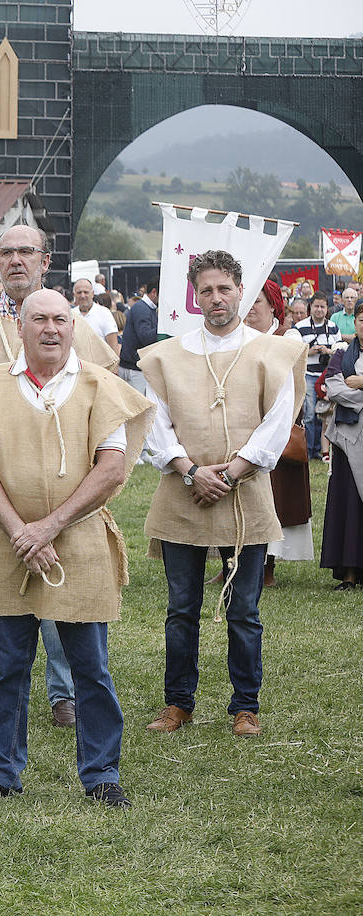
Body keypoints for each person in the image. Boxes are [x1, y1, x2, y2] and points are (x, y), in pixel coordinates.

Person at [0, 289, 153, 808]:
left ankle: (101, 775)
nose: (50, 328)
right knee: (8, 667)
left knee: (90, 666)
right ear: (20, 327)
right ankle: (0, 773)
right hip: (8, 542)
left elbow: (111, 468)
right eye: (39, 319)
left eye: (60, 320)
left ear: (74, 327)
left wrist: (48, 527)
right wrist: (21, 529)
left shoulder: (100, 388)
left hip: (79, 542)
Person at [0, 226, 117, 731]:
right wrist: (4, 444)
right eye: (7, 252)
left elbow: (103, 400)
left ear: (45, 259)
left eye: (26, 251)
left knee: (61, 595)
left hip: (61, 493)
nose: (15, 260)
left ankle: (65, 695)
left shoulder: (73, 324)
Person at [142, 250, 306, 739]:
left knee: (244, 610)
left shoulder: (271, 351)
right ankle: (178, 704)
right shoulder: (167, 355)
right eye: (206, 290)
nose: (216, 298)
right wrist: (191, 471)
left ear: (241, 291)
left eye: (225, 289)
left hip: (245, 494)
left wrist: (230, 474)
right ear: (195, 296)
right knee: (181, 609)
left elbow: (277, 424)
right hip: (182, 492)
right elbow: (155, 422)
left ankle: (245, 706)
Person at [243, 281, 312, 586]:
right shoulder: (237, 338)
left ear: (272, 305)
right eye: (246, 304)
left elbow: (293, 384)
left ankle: (267, 566)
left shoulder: (288, 336)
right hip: (243, 426)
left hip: (277, 428)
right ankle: (233, 560)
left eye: (256, 302)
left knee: (275, 497)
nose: (250, 310)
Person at [320, 297, 363, 589]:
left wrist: (361, 382)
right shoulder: (342, 354)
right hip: (348, 439)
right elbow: (333, 388)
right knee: (349, 505)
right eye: (362, 320)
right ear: (355, 323)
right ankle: (348, 573)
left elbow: (347, 388)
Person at [294, 291, 342, 461]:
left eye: (322, 306)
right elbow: (294, 351)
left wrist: (327, 350)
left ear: (327, 308)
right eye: (316, 306)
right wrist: (309, 350)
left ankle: (322, 451)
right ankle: (308, 450)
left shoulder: (333, 327)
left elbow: (339, 351)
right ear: (310, 307)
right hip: (308, 374)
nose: (319, 310)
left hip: (327, 376)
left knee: (325, 416)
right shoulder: (300, 327)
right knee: (309, 414)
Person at [117, 279, 159, 395]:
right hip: (134, 370)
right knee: (138, 409)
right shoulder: (142, 309)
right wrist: (164, 328)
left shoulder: (144, 308)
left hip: (133, 367)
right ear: (154, 292)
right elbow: (146, 337)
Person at [72, 278, 119, 351]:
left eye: (86, 292)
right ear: (74, 295)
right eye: (79, 292)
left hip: (101, 362)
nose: (82, 296)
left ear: (92, 294)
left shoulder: (105, 313)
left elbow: (113, 347)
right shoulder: (70, 314)